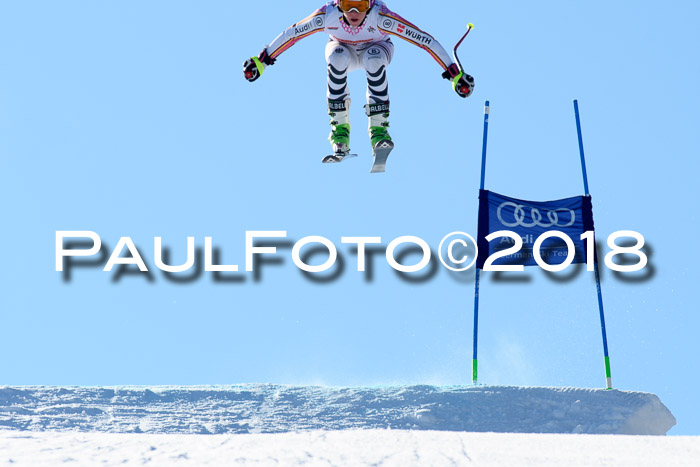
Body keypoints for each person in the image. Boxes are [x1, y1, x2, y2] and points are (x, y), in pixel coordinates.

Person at [243, 0, 474, 170]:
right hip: (342, 49)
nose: (354, 12)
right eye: (348, 4)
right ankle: (340, 132)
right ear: (338, 3)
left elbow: (423, 39)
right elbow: (292, 34)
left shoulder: (381, 17)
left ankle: (378, 129)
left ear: (370, 5)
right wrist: (262, 61)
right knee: (337, 58)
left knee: (373, 59)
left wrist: (453, 73)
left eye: (361, 5)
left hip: (378, 48)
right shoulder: (327, 15)